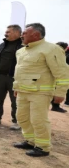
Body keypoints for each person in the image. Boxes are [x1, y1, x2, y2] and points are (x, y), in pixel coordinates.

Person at [13, 23, 69, 157]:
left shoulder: (51, 49)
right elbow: (20, 71)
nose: (22, 35)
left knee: (38, 120)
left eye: (25, 33)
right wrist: (16, 87)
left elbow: (62, 72)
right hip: (23, 91)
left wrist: (60, 92)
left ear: (36, 35)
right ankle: (31, 141)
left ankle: (43, 147)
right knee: (22, 118)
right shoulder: (21, 51)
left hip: (40, 93)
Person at [50, 42, 68, 113]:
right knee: (57, 90)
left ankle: (55, 105)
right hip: (58, 76)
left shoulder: (51, 52)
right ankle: (55, 106)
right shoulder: (60, 54)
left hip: (51, 76)